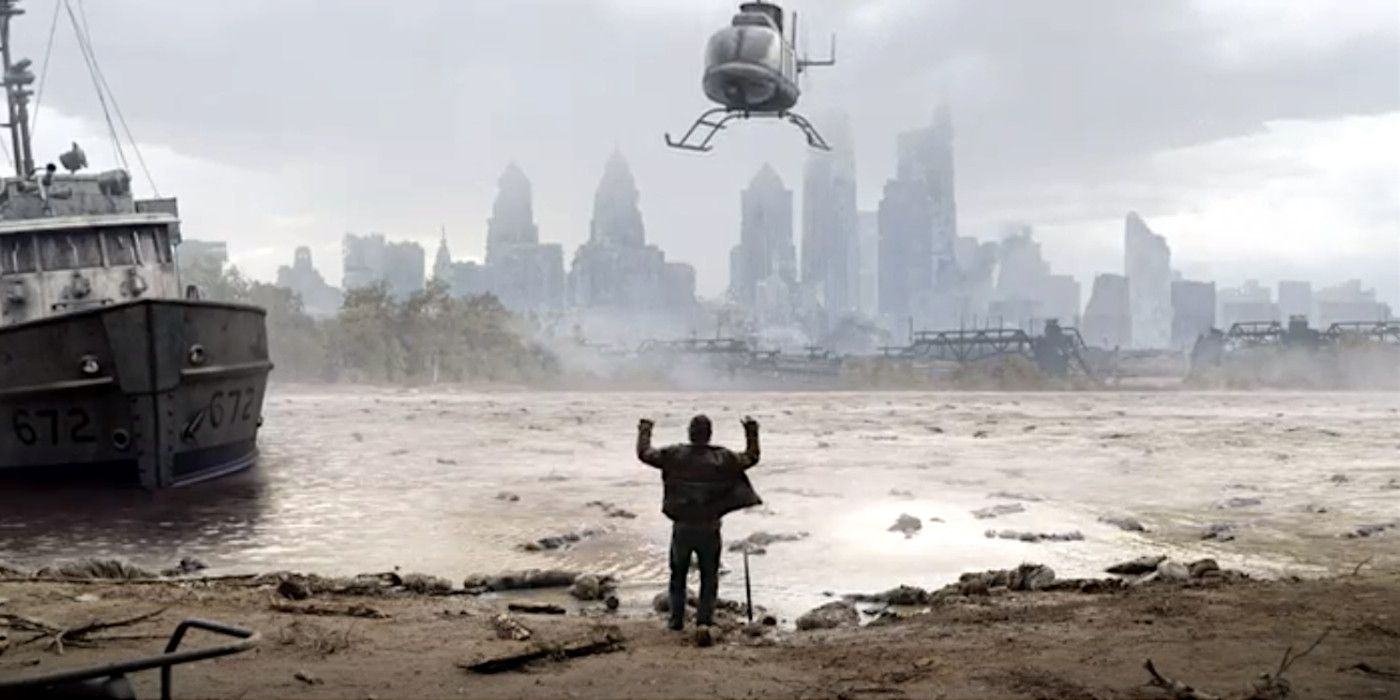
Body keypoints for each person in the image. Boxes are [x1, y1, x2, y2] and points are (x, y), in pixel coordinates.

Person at [637, 414, 760, 631]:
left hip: (682, 526)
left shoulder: (674, 455)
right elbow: (751, 457)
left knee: (678, 575)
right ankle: (704, 620)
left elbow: (644, 454)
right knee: (709, 576)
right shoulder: (723, 458)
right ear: (709, 434)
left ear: (690, 433)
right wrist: (751, 431)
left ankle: (676, 621)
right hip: (710, 526)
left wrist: (645, 430)